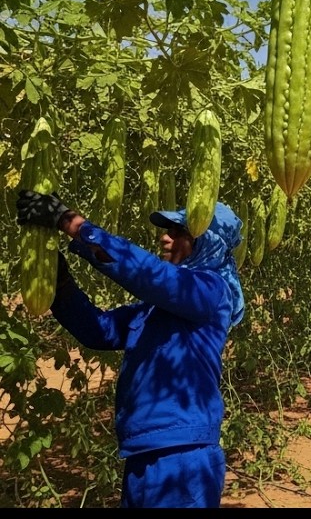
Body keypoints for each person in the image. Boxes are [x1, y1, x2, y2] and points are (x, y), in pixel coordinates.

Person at [14, 189, 246, 508]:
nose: (165, 238)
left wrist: (72, 224)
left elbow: (153, 277)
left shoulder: (212, 291)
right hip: (143, 451)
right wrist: (60, 283)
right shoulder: (154, 309)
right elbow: (99, 331)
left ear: (208, 242)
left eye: (177, 231)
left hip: (183, 455)